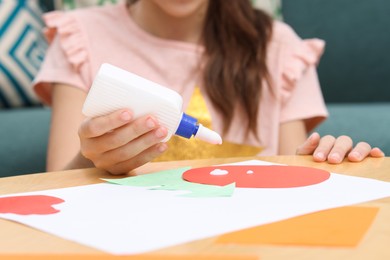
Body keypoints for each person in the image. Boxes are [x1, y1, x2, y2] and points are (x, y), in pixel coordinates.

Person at [33, 0, 384, 175]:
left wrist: (330, 163)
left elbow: (293, 176)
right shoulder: (79, 37)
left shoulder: (279, 49)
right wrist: (95, 159)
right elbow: (57, 185)